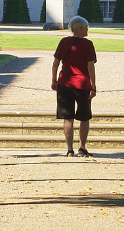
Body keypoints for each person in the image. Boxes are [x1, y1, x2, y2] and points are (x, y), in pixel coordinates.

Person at [51, 16, 97, 158]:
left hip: (65, 83)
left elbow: (56, 63)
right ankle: (82, 147)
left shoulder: (64, 42)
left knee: (68, 118)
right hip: (82, 84)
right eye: (86, 27)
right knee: (84, 118)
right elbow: (90, 67)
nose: (87, 29)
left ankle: (70, 149)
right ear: (81, 28)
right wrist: (93, 85)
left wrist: (54, 80)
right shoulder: (88, 44)